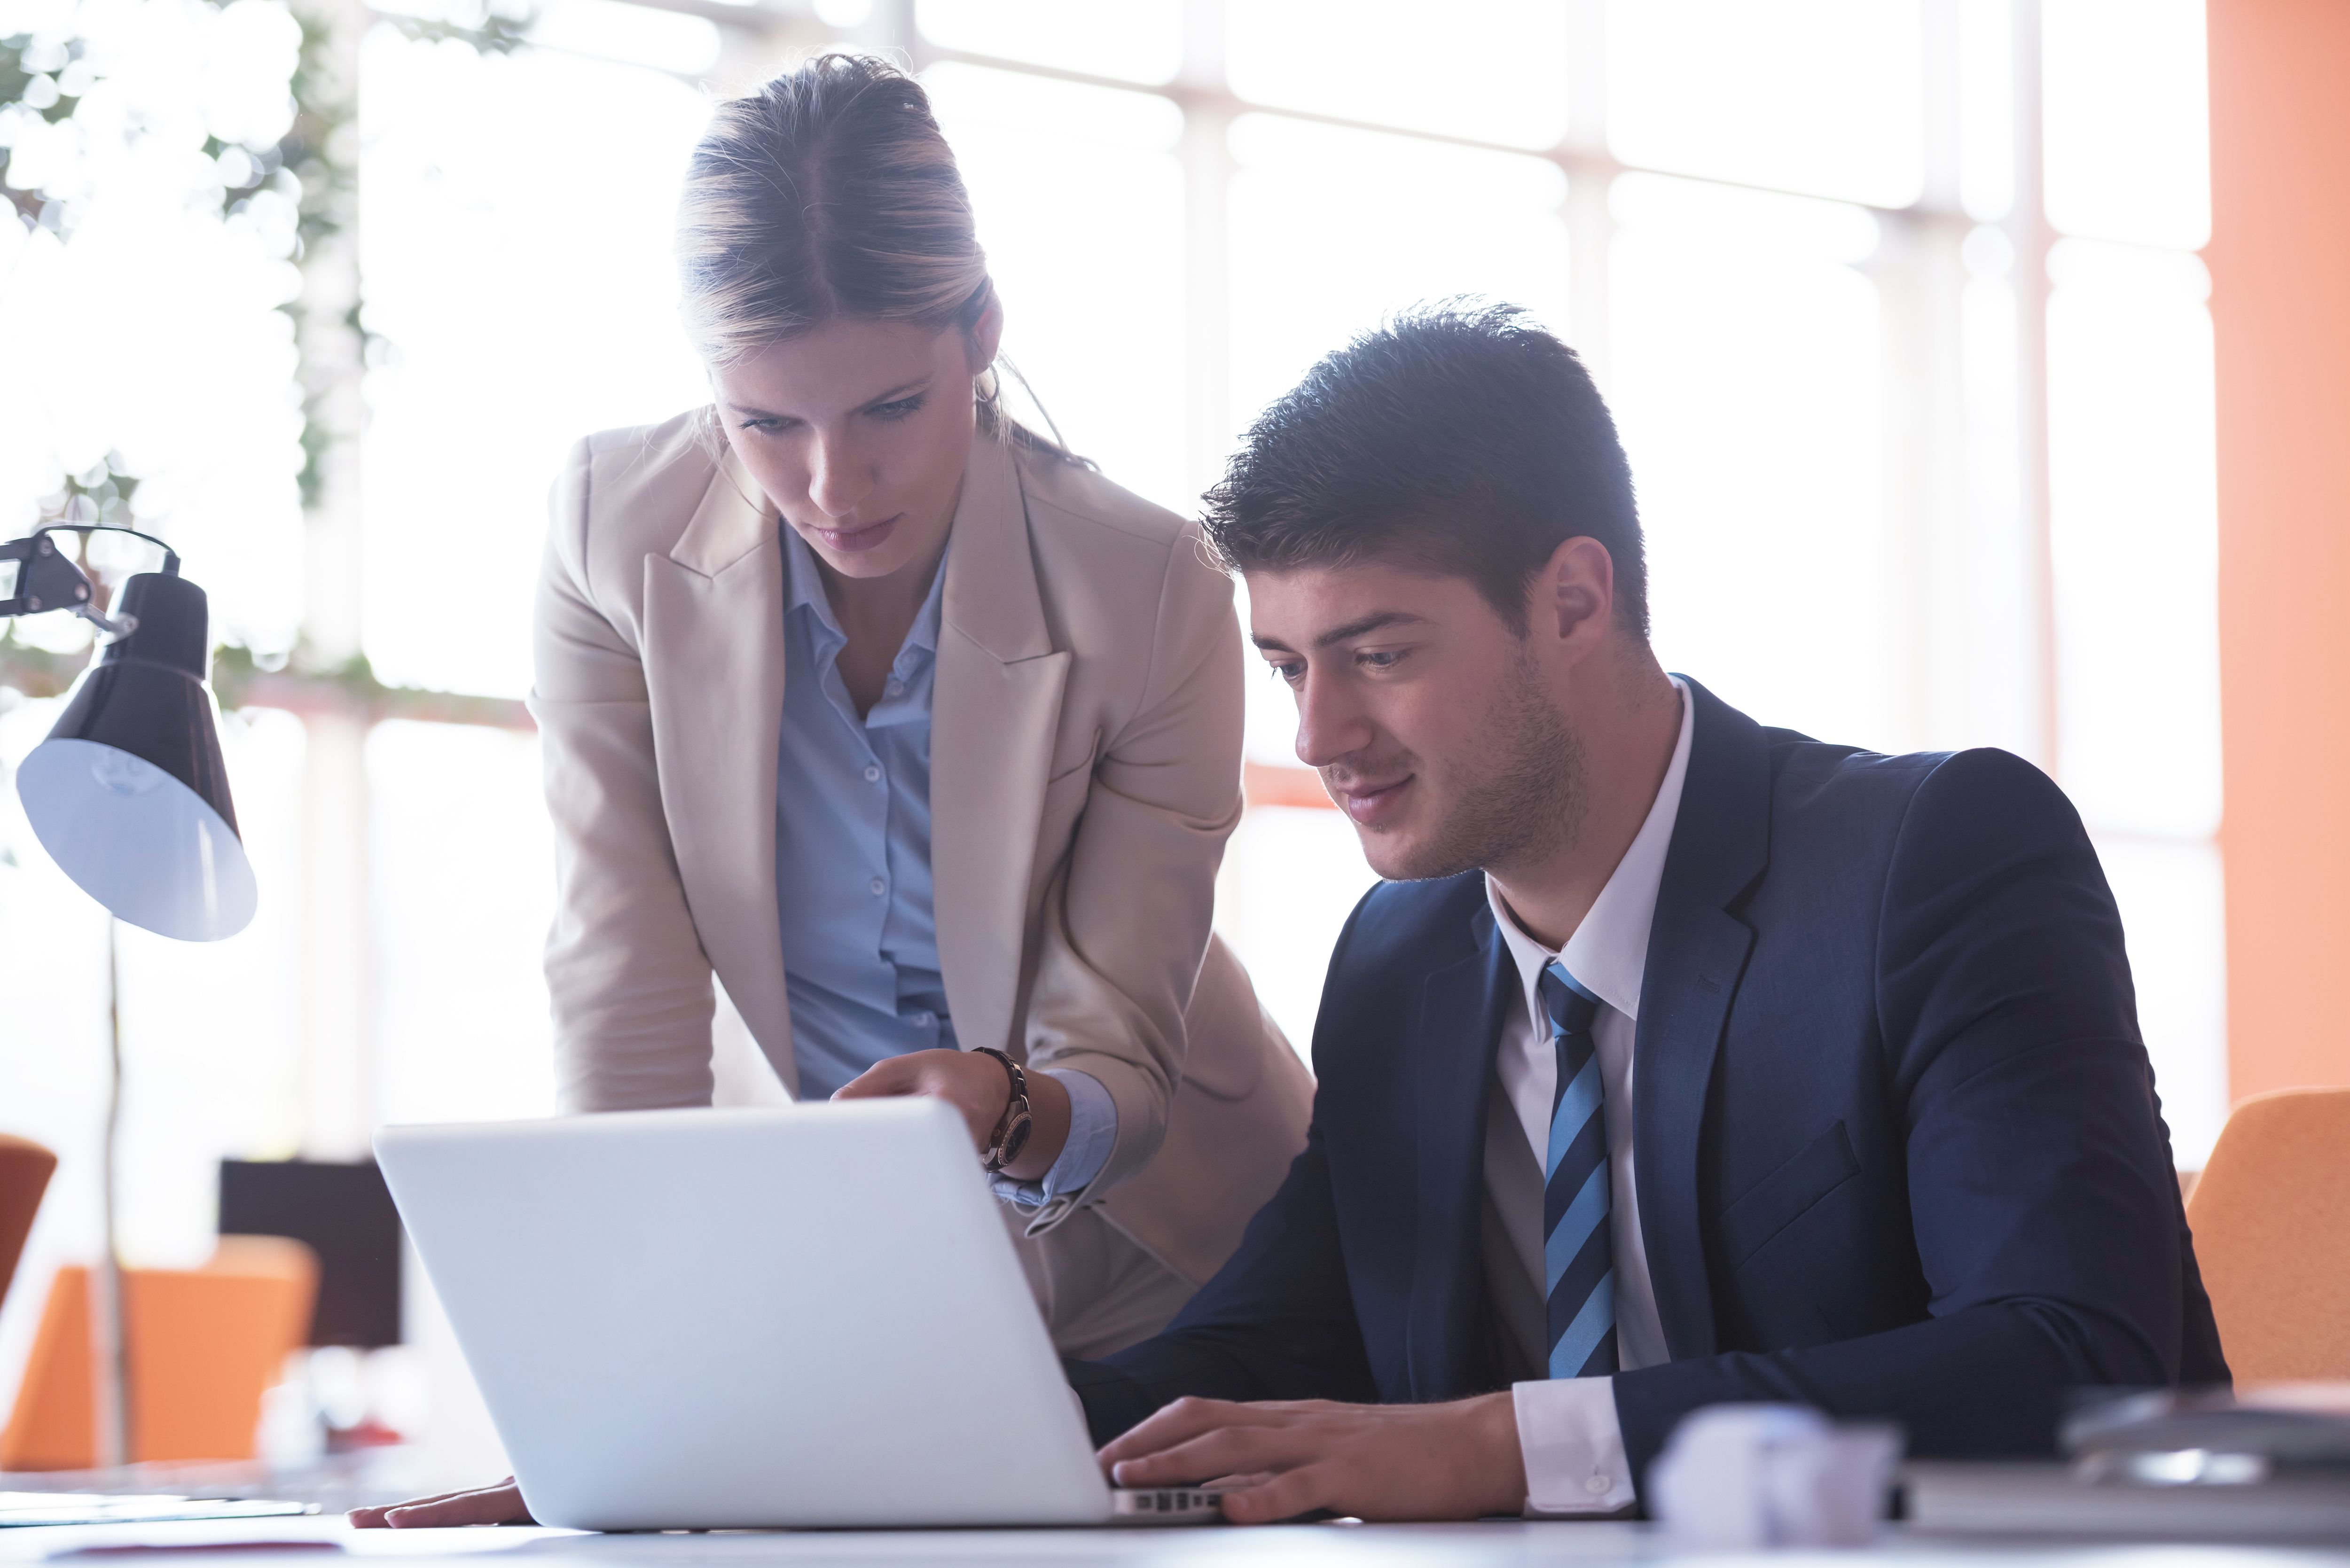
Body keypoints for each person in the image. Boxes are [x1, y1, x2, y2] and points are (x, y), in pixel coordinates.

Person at [1070, 303, 2229, 1524]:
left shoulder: (1935, 859)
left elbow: (2074, 1355)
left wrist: (1504, 1445)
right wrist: (963, 1420)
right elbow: (1265, 1354)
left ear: (1574, 600)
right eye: (1292, 665)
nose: (1319, 736)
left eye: (1381, 654)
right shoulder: (1397, 960)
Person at [353, 53, 1310, 1529]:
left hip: (1171, 1258)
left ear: (981, 330)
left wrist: (999, 1108)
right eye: (766, 423)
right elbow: (625, 979)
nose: (832, 482)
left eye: (888, 406)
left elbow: (1117, 1043)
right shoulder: (615, 531)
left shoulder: (1147, 584)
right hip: (855, 1289)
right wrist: (609, 1402)